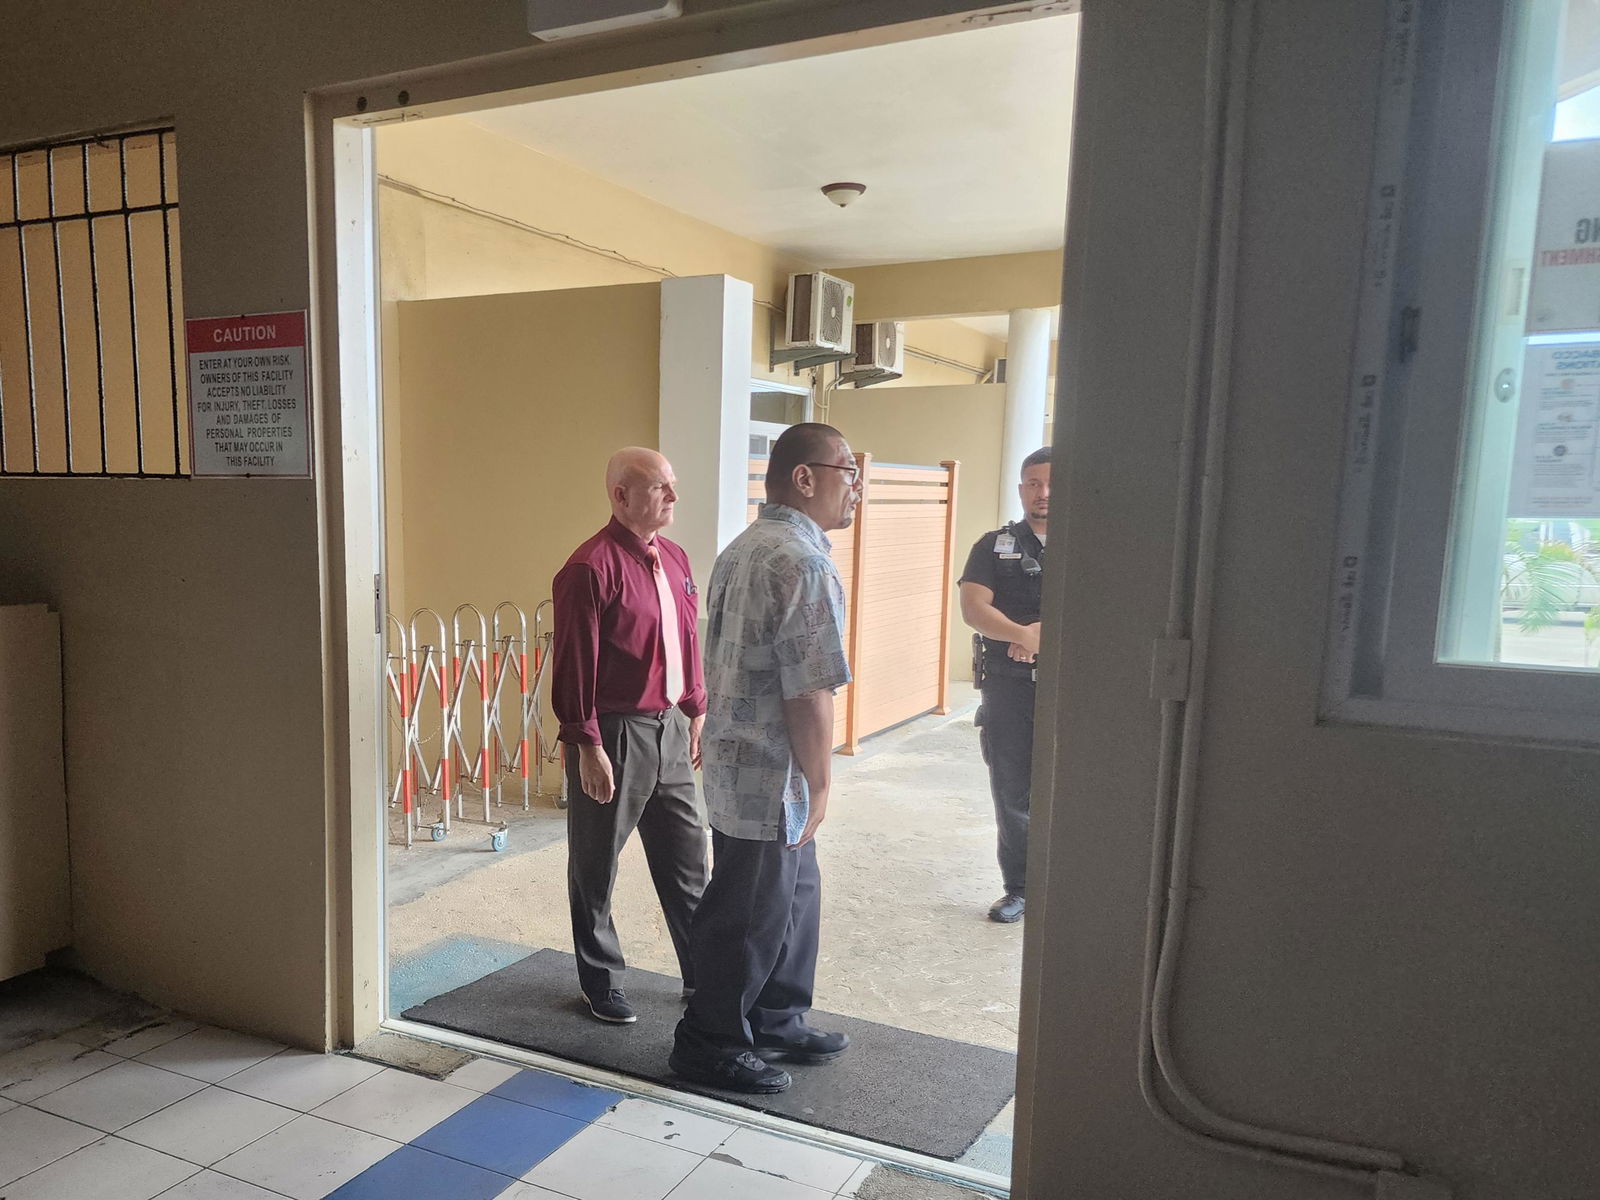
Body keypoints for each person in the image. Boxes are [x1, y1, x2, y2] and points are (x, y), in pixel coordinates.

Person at [668, 423, 861, 1094]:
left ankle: (776, 1015)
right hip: (766, 771)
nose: (855, 489)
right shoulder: (801, 561)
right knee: (747, 911)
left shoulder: (744, 546)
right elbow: (808, 689)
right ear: (804, 478)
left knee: (793, 895)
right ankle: (708, 1040)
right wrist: (823, 779)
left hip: (736, 758)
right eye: (847, 472)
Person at [550, 447, 708, 1024]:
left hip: (670, 729)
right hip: (613, 734)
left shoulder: (675, 558)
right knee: (597, 865)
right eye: (660, 487)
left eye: (672, 485)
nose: (672, 496)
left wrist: (696, 707)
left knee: (690, 862)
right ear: (621, 496)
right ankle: (602, 980)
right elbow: (574, 664)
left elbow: (686, 641)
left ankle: (704, 975)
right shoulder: (589, 568)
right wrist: (587, 744)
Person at [959, 445, 1050, 924]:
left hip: (1072, 690)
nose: (1044, 492)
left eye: (1053, 482)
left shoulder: (1093, 545)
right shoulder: (993, 545)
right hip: (1009, 687)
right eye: (1033, 483)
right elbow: (974, 608)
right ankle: (1019, 889)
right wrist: (1022, 635)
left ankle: (1067, 883)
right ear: (1021, 489)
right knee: (1011, 790)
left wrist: (1046, 639)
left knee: (1073, 788)